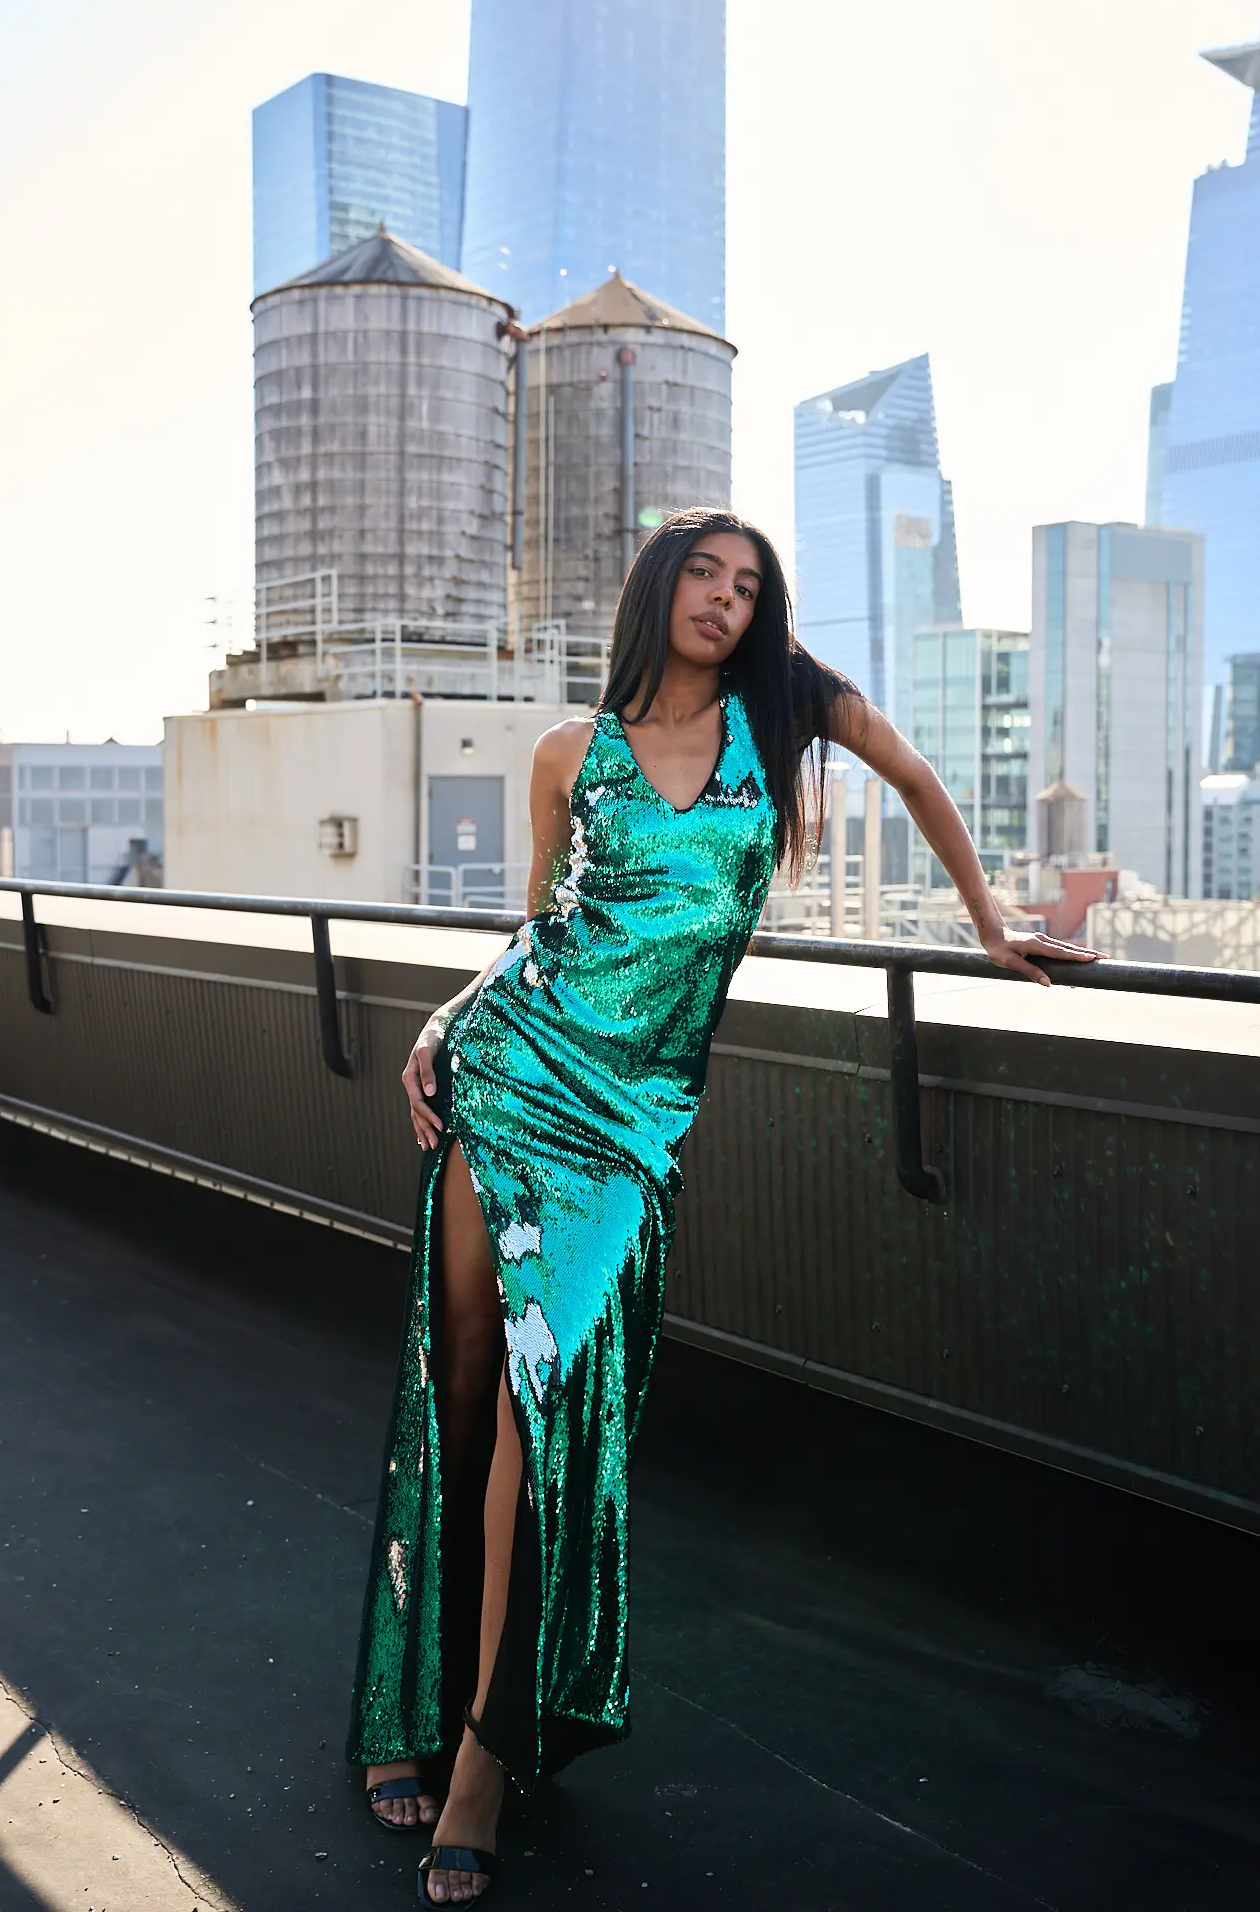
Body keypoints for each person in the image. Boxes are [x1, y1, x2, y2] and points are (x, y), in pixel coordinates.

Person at [346, 509, 1095, 1905]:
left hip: (631, 1134)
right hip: (509, 1074)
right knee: (455, 1394)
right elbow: (538, 924)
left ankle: (484, 1762)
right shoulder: (570, 755)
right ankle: (413, 1703)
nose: (726, 598)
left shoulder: (792, 714)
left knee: (544, 1403)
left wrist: (989, 922)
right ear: (656, 586)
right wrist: (449, 1014)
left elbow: (925, 779)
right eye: (704, 572)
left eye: (749, 585)